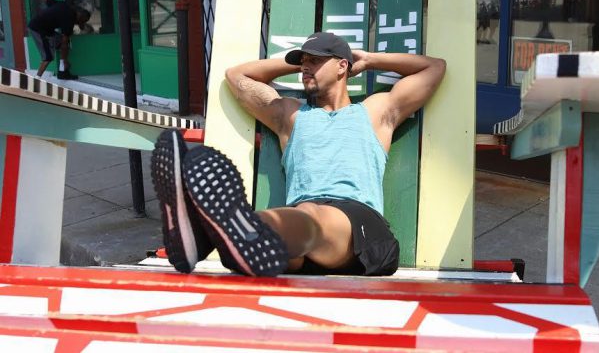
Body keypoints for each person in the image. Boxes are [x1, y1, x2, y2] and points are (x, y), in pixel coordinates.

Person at [152, 32, 446, 277]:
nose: (306, 68)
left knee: (309, 215)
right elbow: (236, 76)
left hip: (360, 231)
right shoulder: (290, 116)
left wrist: (369, 59)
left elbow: (434, 68)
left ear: (342, 66)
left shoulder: (374, 112)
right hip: (299, 238)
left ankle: (218, 229)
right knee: (290, 233)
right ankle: (224, 237)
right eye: (303, 62)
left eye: (315, 61)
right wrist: (297, 65)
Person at [28, 0, 90, 80]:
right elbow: (64, 43)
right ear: (79, 17)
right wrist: (64, 60)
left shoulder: (65, 5)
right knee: (48, 57)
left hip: (47, 29)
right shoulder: (69, 20)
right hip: (37, 29)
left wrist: (48, 14)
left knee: (64, 44)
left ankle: (62, 72)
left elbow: (47, 0)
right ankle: (37, 79)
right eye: (81, 21)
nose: (79, 23)